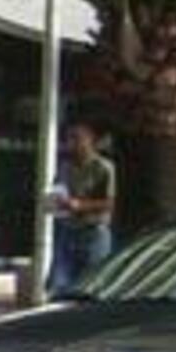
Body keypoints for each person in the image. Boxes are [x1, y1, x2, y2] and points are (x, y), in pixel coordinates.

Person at [47, 120, 119, 296]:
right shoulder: (65, 166)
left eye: (77, 139)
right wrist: (55, 201)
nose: (72, 144)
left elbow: (109, 202)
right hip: (68, 230)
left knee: (93, 284)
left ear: (89, 141)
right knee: (60, 283)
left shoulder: (103, 167)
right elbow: (59, 189)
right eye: (69, 139)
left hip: (93, 231)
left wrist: (81, 205)